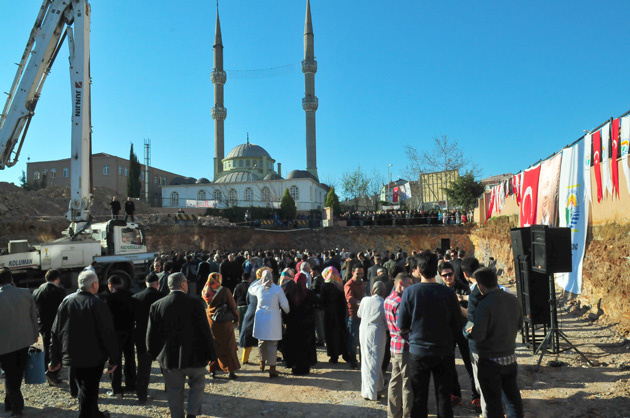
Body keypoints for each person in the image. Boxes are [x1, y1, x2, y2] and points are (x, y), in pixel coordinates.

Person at [397, 250, 461, 418]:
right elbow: (457, 324)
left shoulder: (410, 293)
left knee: (419, 399)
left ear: (418, 269)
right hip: (443, 351)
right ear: (436, 269)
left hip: (419, 352)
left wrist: (412, 341)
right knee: (444, 398)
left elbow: (401, 326)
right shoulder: (448, 293)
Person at [49, 270, 119, 418]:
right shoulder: (97, 303)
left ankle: (95, 413)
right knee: (88, 390)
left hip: (72, 355)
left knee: (86, 390)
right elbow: (108, 333)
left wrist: (54, 358)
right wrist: (114, 358)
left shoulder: (66, 301)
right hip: (93, 357)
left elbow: (55, 332)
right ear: (94, 284)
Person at [147, 272, 217, 418]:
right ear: (183, 284)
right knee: (197, 386)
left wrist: (153, 354)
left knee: (174, 390)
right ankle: (192, 413)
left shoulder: (157, 305)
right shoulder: (196, 303)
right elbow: (205, 331)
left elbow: (151, 334)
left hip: (169, 359)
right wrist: (212, 354)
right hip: (195, 356)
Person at [469, 267, 523, 418]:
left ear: (480, 285)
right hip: (510, 358)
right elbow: (519, 325)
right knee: (513, 401)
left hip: (490, 361)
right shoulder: (513, 299)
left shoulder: (484, 304)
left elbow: (479, 335)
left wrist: (468, 330)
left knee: (494, 406)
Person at [439, 261, 480, 410]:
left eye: (450, 274)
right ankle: (455, 394)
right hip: (447, 333)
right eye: (445, 275)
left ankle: (476, 397)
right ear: (440, 276)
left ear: (454, 274)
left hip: (463, 331)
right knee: (449, 365)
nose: (448, 277)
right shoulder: (439, 291)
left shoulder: (464, 289)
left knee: (470, 366)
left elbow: (473, 312)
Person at [0, 268, 39, 418]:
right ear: (11, 279)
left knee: (10, 376)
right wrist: (36, 334)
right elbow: (34, 317)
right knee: (16, 374)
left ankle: (16, 408)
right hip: (25, 340)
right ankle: (11, 403)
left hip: (4, 344)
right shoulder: (25, 293)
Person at [249, 269, 290, 378]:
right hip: (273, 319)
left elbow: (250, 289)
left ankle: (262, 362)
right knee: (273, 343)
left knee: (261, 341)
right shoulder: (277, 289)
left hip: (260, 318)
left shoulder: (258, 288)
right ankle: (272, 368)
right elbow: (285, 305)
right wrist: (288, 312)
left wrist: (260, 281)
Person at [132, 271, 164, 404]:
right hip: (160, 337)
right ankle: (170, 388)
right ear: (158, 283)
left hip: (142, 336)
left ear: (146, 283)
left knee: (143, 369)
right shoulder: (163, 297)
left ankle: (142, 395)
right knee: (166, 366)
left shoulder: (136, 297)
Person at [385, 273, 414, 418]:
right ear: (400, 284)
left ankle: (392, 413)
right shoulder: (401, 303)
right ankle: (407, 414)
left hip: (394, 345)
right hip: (404, 346)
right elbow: (403, 329)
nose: (411, 287)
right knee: (407, 383)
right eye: (409, 284)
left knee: (395, 380)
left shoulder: (388, 299)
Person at [201, 273, 241, 379]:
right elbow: (233, 305)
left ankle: (212, 370)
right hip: (224, 322)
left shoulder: (205, 290)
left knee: (214, 346)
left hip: (211, 321)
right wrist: (237, 318)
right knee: (228, 346)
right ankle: (230, 370)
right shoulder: (224, 291)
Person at [32, 269, 66, 386]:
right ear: (57, 279)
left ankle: (47, 369)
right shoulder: (59, 291)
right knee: (56, 348)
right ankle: (54, 372)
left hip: (43, 324)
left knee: (46, 347)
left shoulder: (36, 292)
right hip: (56, 324)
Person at [105, 275, 137, 398]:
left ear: (110, 285)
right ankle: (131, 385)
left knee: (115, 360)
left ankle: (116, 389)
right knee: (130, 359)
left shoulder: (109, 298)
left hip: (115, 333)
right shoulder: (131, 295)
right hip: (129, 331)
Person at [357, 281, 388, 401]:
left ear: (372, 290)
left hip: (364, 331)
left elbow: (359, 314)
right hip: (376, 333)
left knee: (366, 359)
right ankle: (371, 393)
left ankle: (377, 386)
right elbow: (387, 323)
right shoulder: (383, 303)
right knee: (374, 362)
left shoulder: (365, 300)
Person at [283, 271, 317, 375]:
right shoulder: (309, 293)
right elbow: (316, 305)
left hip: (293, 324)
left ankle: (294, 366)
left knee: (294, 345)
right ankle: (305, 368)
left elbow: (285, 309)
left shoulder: (289, 293)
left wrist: (285, 321)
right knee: (305, 346)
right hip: (306, 325)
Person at [239, 267, 270, 365]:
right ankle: (267, 359)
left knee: (248, 338)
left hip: (251, 312)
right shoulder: (268, 286)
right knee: (266, 339)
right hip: (264, 314)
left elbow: (248, 299)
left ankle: (244, 359)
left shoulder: (252, 285)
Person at [319, 267, 349, 364]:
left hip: (329, 313)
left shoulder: (325, 286)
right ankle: (345, 353)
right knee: (341, 332)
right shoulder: (341, 284)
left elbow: (322, 301)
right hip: (340, 312)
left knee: (331, 334)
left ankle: (334, 356)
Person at [344, 265, 365, 369]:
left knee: (363, 342)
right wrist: (360, 303)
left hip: (363, 316)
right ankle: (353, 362)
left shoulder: (363, 283)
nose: (360, 275)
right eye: (358, 273)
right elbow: (350, 298)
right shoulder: (349, 285)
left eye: (361, 273)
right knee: (353, 341)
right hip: (353, 316)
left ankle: (363, 362)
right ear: (353, 273)